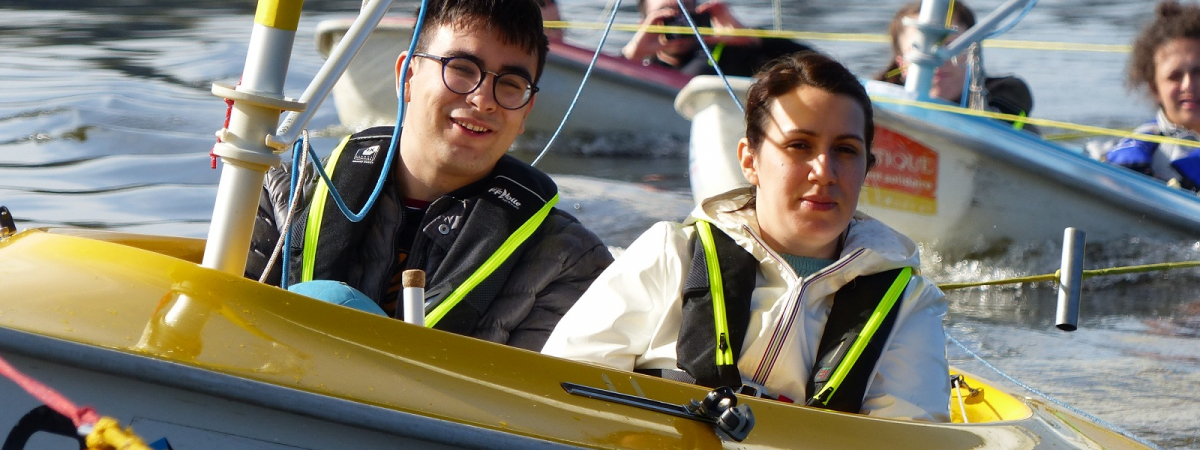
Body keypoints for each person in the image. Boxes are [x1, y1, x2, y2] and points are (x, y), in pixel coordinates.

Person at [543, 52, 951, 421]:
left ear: (867, 167)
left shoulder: (910, 304)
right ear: (749, 161)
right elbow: (557, 396)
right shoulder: (669, 254)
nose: (824, 171)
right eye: (799, 145)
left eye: (845, 150)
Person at [244, 0, 614, 352]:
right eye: (462, 68)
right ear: (407, 74)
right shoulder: (282, 195)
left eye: (510, 84)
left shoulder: (570, 261)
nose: (484, 99)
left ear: (526, 111)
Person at [877, 1, 1035, 123]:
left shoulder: (1008, 95)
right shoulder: (874, 106)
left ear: (973, 54)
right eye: (918, 48)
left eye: (950, 46)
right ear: (901, 64)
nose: (937, 61)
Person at [1103, 0, 1200, 191]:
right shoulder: (1134, 157)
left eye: (1199, 72)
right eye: (1175, 76)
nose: (1188, 85)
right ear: (1155, 88)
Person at [622, 0, 814, 78]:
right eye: (664, 17)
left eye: (685, 16)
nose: (677, 25)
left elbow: (814, 64)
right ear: (643, 24)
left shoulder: (731, 53)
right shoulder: (637, 66)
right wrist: (630, 57)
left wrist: (751, 38)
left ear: (699, 16)